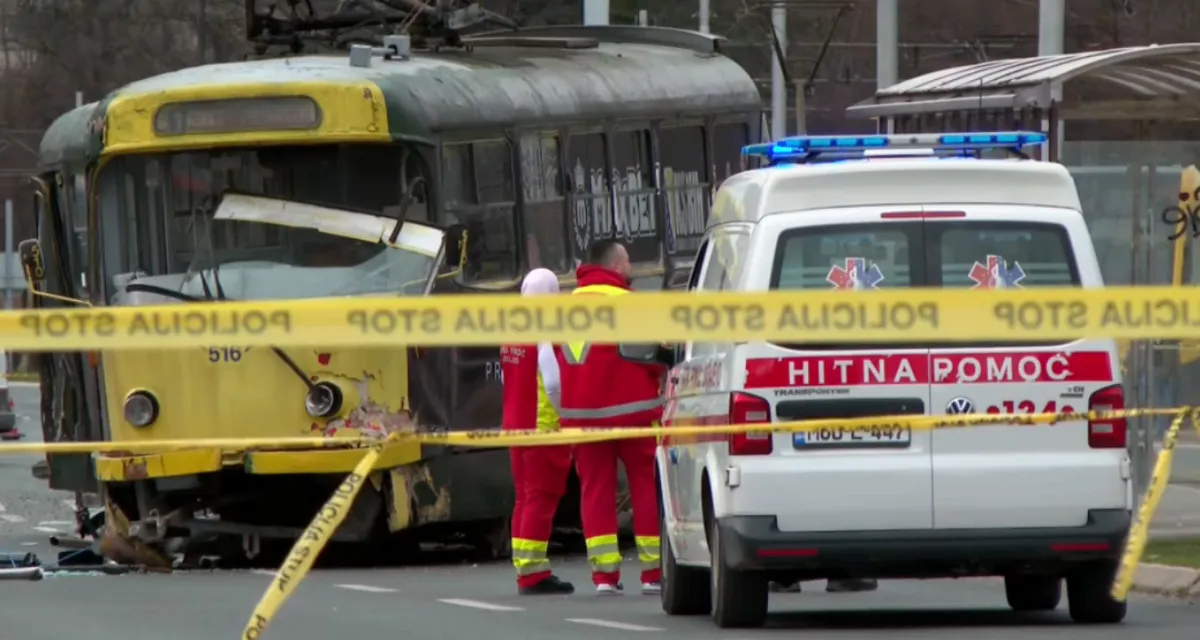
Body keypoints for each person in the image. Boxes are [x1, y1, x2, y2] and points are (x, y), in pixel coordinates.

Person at [555, 239, 667, 595]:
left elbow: (557, 365)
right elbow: (653, 355)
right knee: (646, 487)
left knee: (595, 491)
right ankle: (653, 573)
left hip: (582, 417)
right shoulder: (629, 304)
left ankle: (605, 577)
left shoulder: (564, 308)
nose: (631, 268)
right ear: (617, 267)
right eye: (629, 262)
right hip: (632, 412)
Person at [502, 268, 574, 595]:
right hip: (542, 425)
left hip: (514, 424)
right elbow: (553, 379)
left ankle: (526, 567)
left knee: (524, 497)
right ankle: (532, 574)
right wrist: (564, 413)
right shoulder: (544, 326)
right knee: (541, 497)